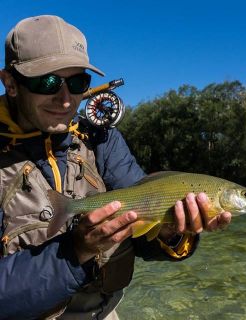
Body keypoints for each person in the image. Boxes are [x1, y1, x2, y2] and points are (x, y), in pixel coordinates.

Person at [0, 15, 231, 320]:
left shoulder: (101, 140)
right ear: (11, 84)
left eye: (78, 82)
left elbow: (143, 226)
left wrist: (172, 231)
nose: (66, 98)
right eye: (49, 81)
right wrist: (75, 253)